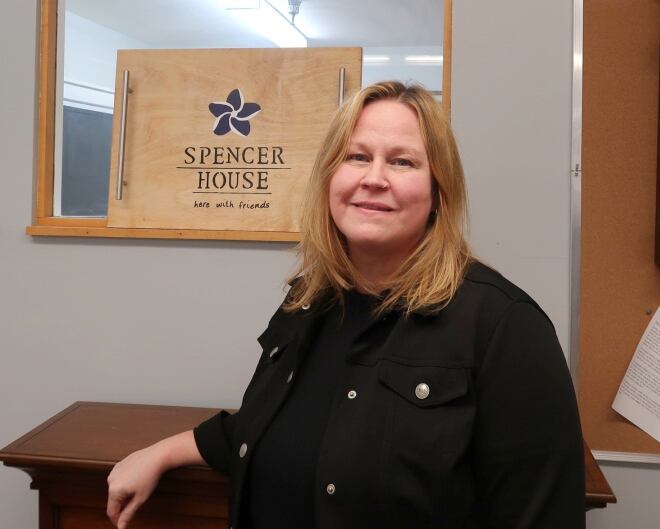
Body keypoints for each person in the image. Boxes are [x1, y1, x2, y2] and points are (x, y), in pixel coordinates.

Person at [106, 81, 584, 529]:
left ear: (439, 190)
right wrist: (162, 453)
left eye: (402, 162)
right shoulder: (308, 301)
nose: (374, 178)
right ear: (330, 178)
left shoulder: (504, 325)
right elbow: (268, 425)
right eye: (356, 156)